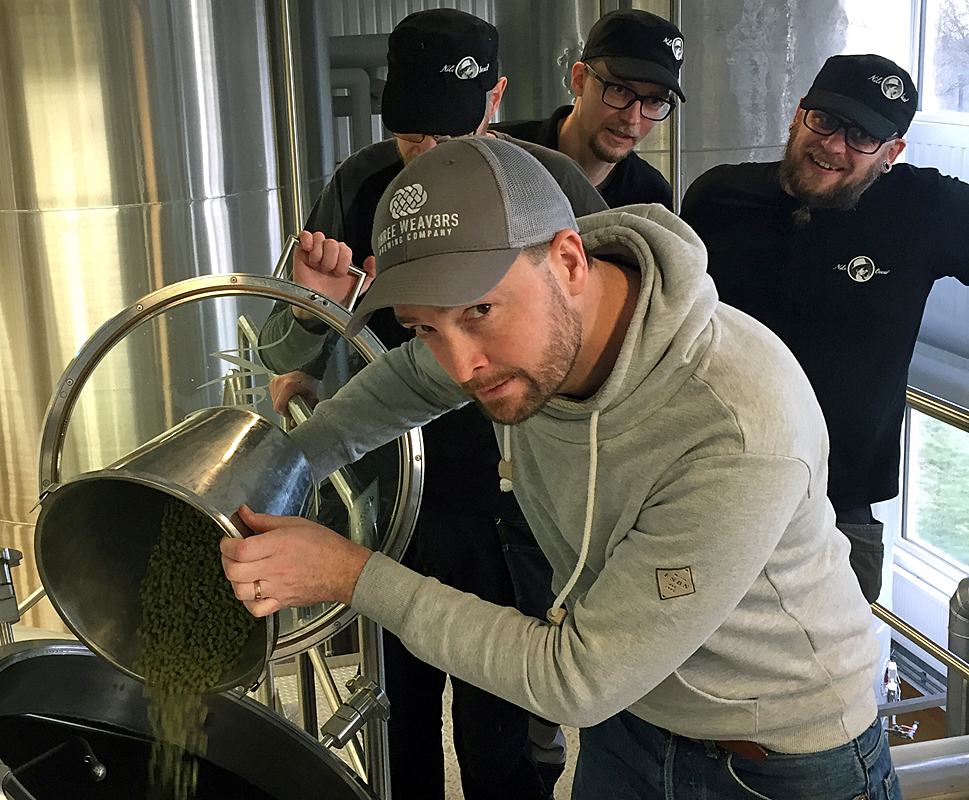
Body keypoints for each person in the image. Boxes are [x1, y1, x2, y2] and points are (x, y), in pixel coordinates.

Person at [224, 135, 898, 799]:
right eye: (425, 326)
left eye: (479, 312)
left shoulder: (734, 424)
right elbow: (408, 379)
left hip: (776, 759)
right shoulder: (521, 333)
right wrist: (284, 472)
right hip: (632, 721)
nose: (462, 366)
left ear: (570, 261)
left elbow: (575, 680)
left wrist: (349, 574)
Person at [256, 10, 607, 799]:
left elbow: (601, 336)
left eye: (449, 135)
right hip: (393, 497)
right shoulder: (360, 184)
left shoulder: (550, 187)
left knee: (501, 726)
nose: (429, 155)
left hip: (515, 504)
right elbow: (286, 362)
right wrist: (315, 308)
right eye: (413, 135)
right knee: (397, 717)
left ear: (496, 98)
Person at [680, 54, 969, 603]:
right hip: (711, 486)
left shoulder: (924, 210)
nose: (834, 145)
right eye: (826, 120)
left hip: (839, 511)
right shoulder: (716, 198)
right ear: (798, 115)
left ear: (892, 153)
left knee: (837, 657)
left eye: (862, 136)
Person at [493, 9, 684, 208]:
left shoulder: (651, 195)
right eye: (619, 90)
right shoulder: (499, 154)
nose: (632, 118)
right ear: (579, 79)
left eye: (654, 100)